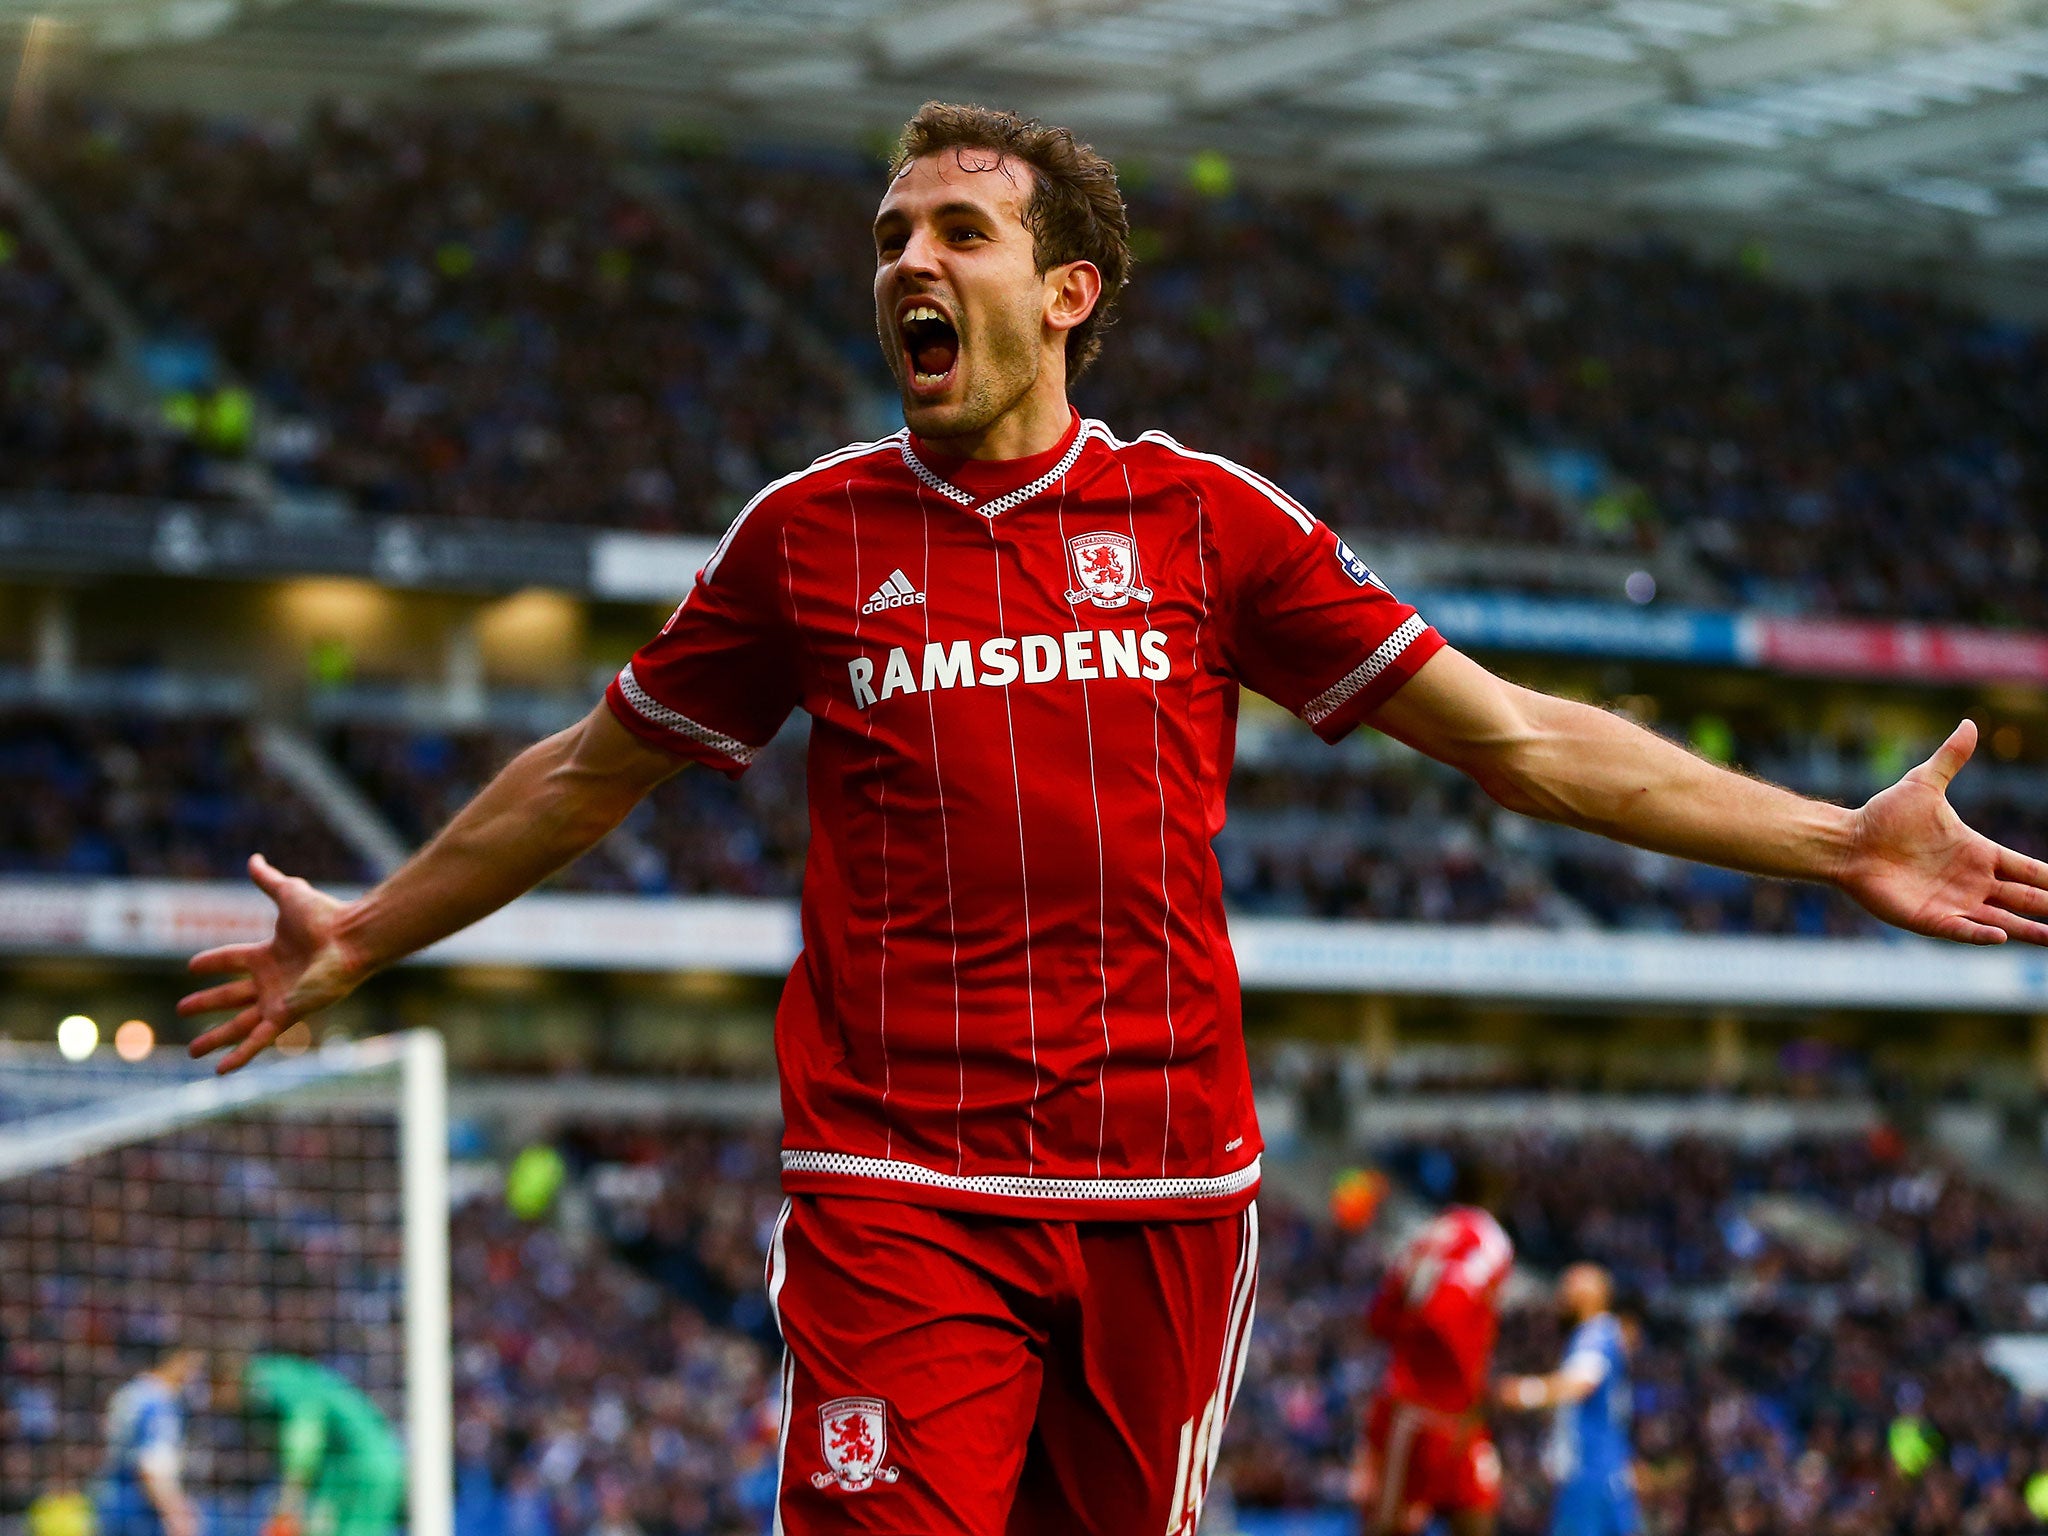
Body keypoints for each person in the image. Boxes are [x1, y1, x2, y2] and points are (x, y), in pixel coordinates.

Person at [177, 101, 2048, 1536]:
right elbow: (594, 769)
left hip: (1167, 1193)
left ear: (1062, 293)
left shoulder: (1204, 523)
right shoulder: (803, 541)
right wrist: (367, 926)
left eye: (960, 232)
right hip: (895, 1191)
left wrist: (1830, 839)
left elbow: (1522, 742)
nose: (909, 259)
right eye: (892, 232)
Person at [1354, 1202, 1514, 1536]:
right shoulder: (1488, 1239)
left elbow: (1380, 1317)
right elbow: (1443, 1312)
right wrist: (1470, 1383)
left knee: (1396, 1522)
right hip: (1439, 1410)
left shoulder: (1426, 1236)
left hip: (1416, 1410)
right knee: (1465, 1518)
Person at [1497, 1265, 1639, 1536]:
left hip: (1590, 1471)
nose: (1562, 1292)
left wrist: (1525, 1391)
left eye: (1571, 1285)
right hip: (1606, 1470)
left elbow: (1582, 1383)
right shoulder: (1601, 1334)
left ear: (1593, 1293)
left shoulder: (1595, 1334)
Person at [219, 1354, 405, 1536]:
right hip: (377, 1461)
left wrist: (290, 1496)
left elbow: (307, 1425)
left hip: (358, 1470)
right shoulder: (282, 1375)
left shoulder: (265, 1381)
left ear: (225, 1382)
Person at [97, 1348, 203, 1536]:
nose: (194, 1377)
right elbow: (152, 1465)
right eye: (193, 1368)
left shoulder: (128, 1393)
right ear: (176, 1361)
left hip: (111, 1502)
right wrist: (177, 1515)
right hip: (141, 1509)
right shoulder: (159, 1403)